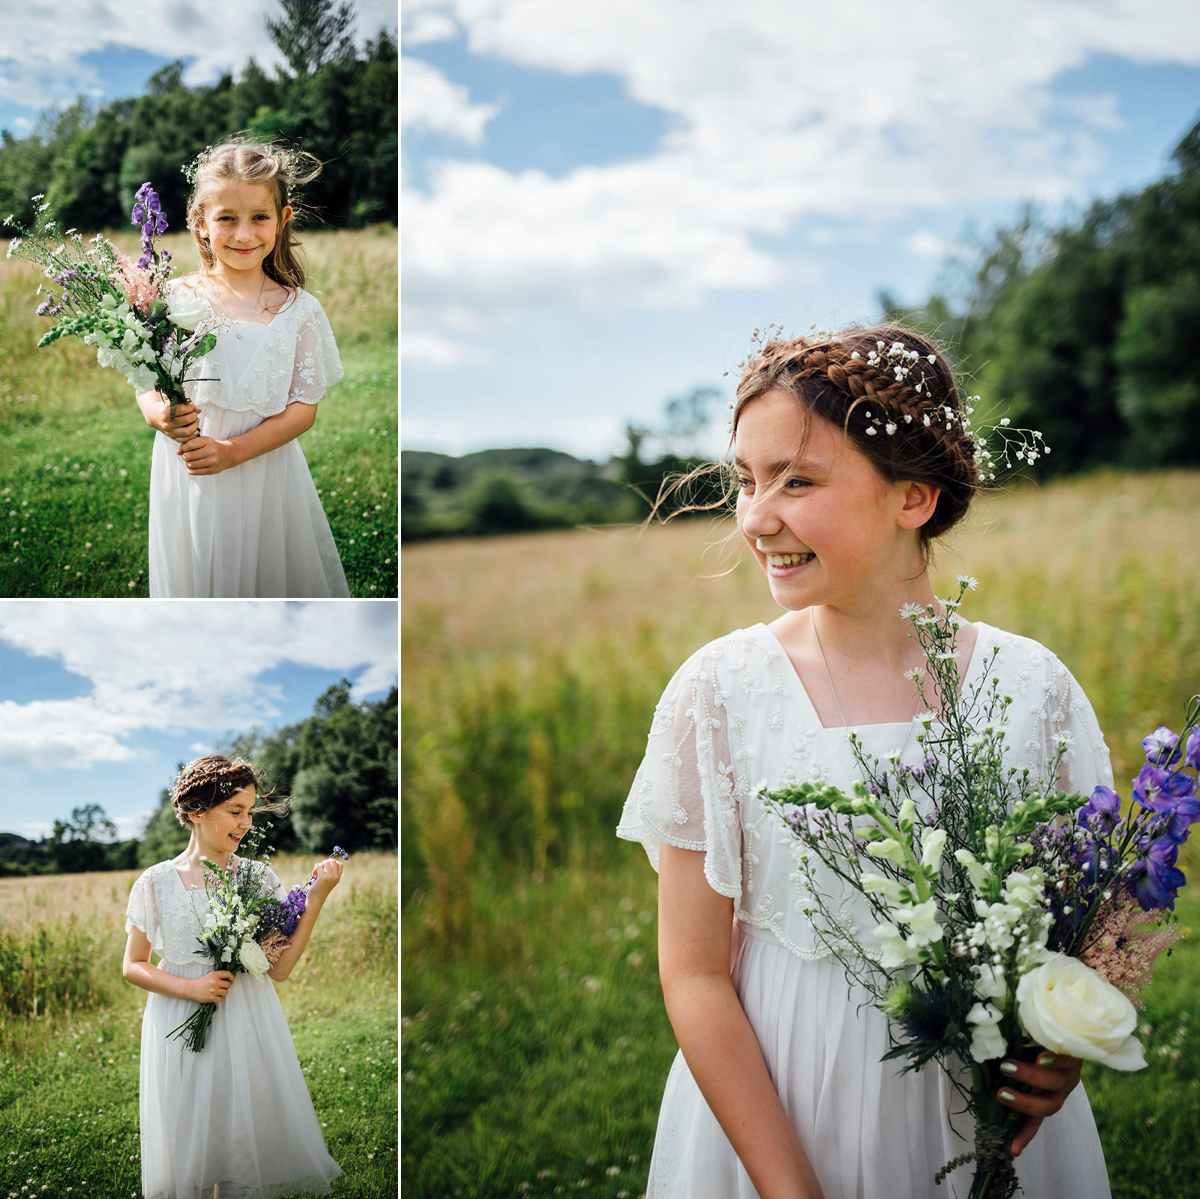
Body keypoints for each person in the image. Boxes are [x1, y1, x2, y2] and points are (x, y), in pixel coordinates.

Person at [616, 326, 1114, 1199]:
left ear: (913, 496)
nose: (755, 516)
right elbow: (692, 970)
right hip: (787, 1108)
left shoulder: (1030, 685)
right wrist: (790, 1189)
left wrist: (1068, 1040)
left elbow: (1096, 911)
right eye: (745, 480)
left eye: (796, 481)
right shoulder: (720, 692)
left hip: (984, 1114)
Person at [123, 755, 345, 1199]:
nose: (245, 823)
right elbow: (133, 965)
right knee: (191, 1136)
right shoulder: (156, 882)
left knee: (236, 1134)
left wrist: (317, 898)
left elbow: (279, 968)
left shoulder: (258, 877)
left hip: (244, 1018)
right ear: (195, 812)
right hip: (179, 1022)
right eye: (235, 811)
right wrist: (191, 987)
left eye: (249, 811)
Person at [137, 137, 350, 598]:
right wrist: (158, 414)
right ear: (199, 224)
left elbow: (303, 409)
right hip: (189, 465)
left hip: (261, 467)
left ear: (282, 221)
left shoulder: (300, 310)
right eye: (226, 218)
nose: (243, 234)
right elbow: (145, 382)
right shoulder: (172, 297)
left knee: (266, 577)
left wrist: (233, 451)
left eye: (259, 217)